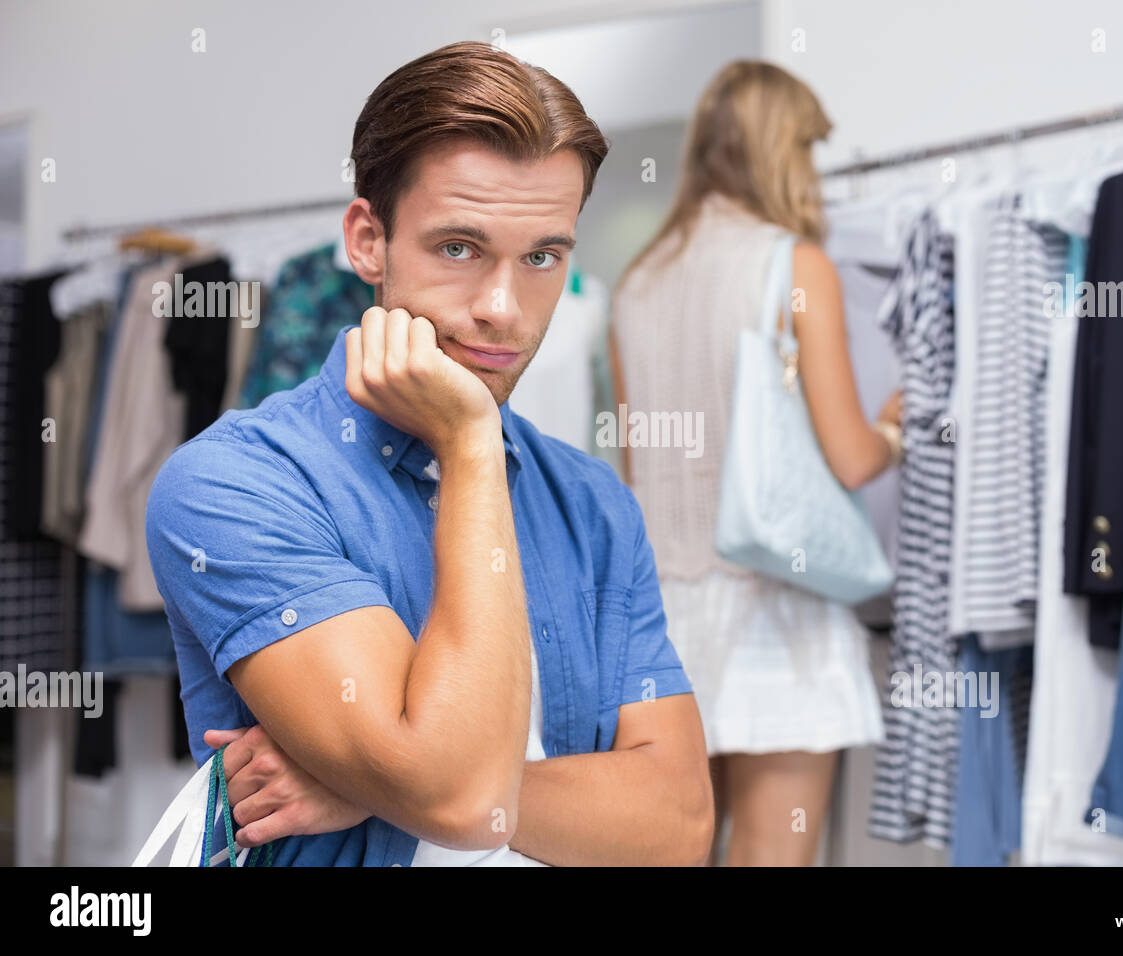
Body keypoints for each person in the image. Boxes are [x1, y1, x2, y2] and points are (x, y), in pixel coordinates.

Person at [144, 41, 712, 866]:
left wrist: (375, 792)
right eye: (458, 248)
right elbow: (458, 799)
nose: (502, 309)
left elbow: (680, 824)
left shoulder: (590, 500)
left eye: (542, 257)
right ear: (368, 241)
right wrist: (474, 445)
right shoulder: (234, 485)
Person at [608, 60, 903, 866]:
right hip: (780, 604)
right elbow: (848, 458)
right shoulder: (793, 265)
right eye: (806, 150)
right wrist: (894, 429)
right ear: (781, 151)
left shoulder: (637, 280)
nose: (811, 172)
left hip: (663, 615)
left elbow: (636, 466)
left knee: (670, 850)